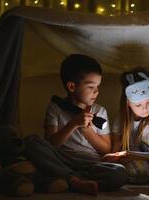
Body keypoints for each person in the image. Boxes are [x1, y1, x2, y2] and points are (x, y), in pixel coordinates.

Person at [24, 54, 127, 195]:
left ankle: (67, 178)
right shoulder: (55, 108)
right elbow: (51, 145)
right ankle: (72, 180)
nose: (96, 91)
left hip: (90, 164)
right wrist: (73, 124)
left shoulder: (99, 111)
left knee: (119, 173)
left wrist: (88, 131)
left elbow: (105, 149)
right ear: (72, 86)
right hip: (62, 160)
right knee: (31, 142)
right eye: (91, 86)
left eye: (98, 86)